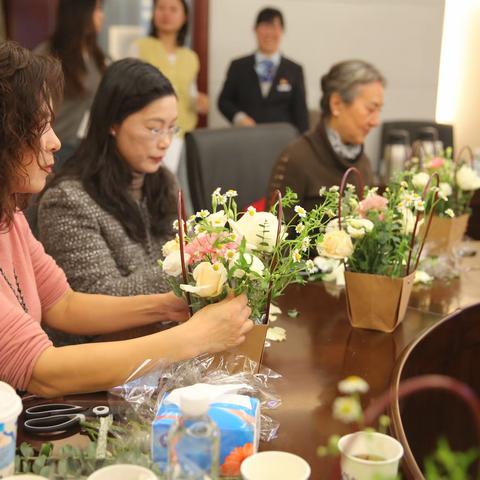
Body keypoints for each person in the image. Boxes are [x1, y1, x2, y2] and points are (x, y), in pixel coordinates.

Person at [0, 41, 253, 396]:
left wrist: (167, 303)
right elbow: (42, 370)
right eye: (39, 127)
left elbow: (65, 304)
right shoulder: (67, 198)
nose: (55, 141)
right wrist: (194, 336)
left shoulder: (11, 218)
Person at [268, 60, 384, 212]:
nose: (376, 121)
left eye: (379, 110)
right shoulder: (296, 159)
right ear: (336, 104)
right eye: (370, 109)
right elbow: (272, 231)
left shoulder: (363, 163)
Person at [130, 0, 208, 173]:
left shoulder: (190, 57)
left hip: (183, 134)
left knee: (179, 189)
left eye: (173, 9)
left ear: (184, 17)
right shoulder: (139, 48)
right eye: (161, 8)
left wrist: (200, 102)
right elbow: (129, 91)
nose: (166, 14)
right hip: (150, 134)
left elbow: (190, 94)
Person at [35, 0, 106, 168]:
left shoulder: (95, 53)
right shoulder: (47, 55)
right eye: (97, 9)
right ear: (80, 13)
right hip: (58, 146)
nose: (101, 15)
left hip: (85, 147)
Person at [217, 7, 308, 134]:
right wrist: (240, 118)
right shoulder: (238, 66)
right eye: (265, 26)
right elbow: (224, 101)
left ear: (282, 31)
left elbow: (301, 115)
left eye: (275, 27)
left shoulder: (294, 70)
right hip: (246, 138)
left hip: (282, 140)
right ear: (255, 29)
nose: (269, 33)